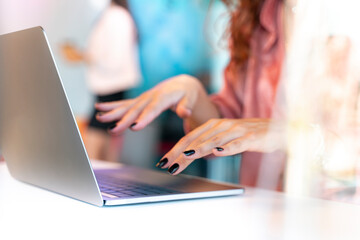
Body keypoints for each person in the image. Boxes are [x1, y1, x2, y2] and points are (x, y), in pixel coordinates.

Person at [95, 0, 286, 188]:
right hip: (261, 204)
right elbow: (230, 125)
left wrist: (295, 135)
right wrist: (193, 93)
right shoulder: (253, 15)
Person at [62, 0, 141, 162]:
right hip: (108, 87)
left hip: (112, 87)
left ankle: (99, 182)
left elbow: (114, 60)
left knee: (98, 142)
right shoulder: (111, 15)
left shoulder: (117, 17)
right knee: (106, 143)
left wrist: (83, 56)